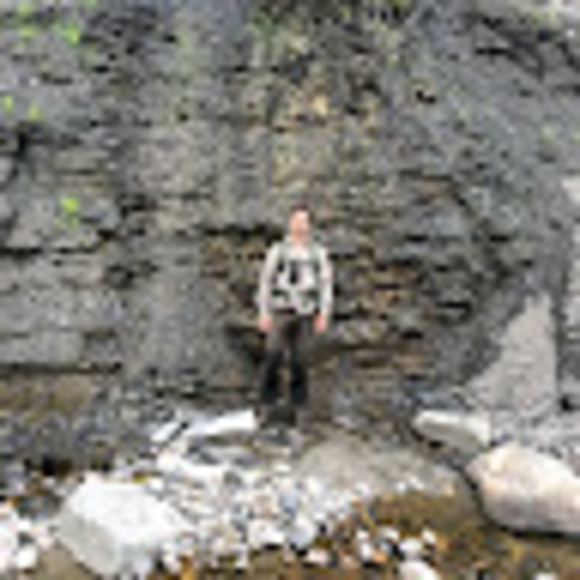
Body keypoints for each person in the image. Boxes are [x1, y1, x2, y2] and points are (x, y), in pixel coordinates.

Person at [255, 201, 333, 430]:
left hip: (306, 312)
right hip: (280, 310)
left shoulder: (317, 253)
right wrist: (264, 312)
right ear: (290, 223)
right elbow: (265, 282)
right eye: (296, 220)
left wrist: (323, 313)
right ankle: (266, 405)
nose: (300, 224)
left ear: (309, 225)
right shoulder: (278, 250)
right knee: (272, 355)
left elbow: (326, 284)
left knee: (300, 361)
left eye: (304, 221)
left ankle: (300, 409)